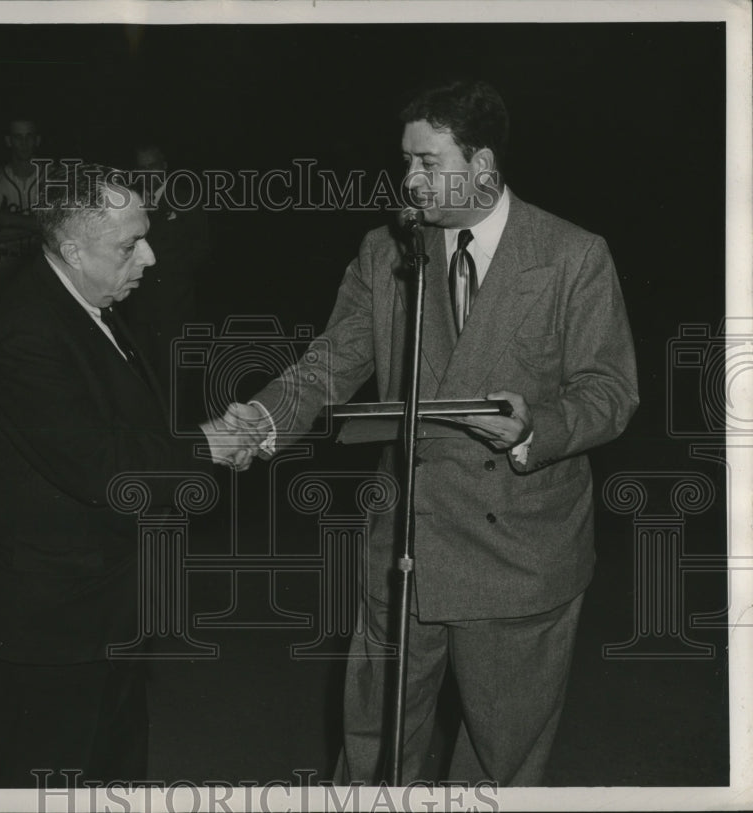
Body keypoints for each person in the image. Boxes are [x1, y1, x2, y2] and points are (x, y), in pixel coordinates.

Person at [231, 79, 639, 785]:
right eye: (405, 162)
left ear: (481, 165)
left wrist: (536, 425)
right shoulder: (386, 251)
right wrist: (262, 418)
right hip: (405, 547)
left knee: (498, 762)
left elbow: (610, 390)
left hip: (518, 556)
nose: (409, 179)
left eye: (426, 161)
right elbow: (333, 360)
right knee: (373, 744)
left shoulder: (572, 256)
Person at [0, 163, 254, 787]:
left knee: (114, 775)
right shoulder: (28, 333)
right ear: (72, 250)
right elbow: (102, 466)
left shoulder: (86, 300)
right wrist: (206, 445)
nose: (150, 257)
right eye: (130, 244)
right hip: (56, 622)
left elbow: (129, 429)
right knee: (53, 784)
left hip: (109, 606)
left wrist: (202, 442)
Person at [121, 142, 211, 399]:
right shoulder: (130, 201)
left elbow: (201, 248)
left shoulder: (185, 199)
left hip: (174, 304)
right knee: (140, 372)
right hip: (138, 302)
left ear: (164, 166)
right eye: (142, 168)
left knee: (172, 375)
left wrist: (172, 273)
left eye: (152, 166)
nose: (148, 174)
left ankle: (171, 432)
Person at [0, 116, 43, 311]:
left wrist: (9, 220)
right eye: (18, 137)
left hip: (41, 264)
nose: (24, 143)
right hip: (2, 263)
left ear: (37, 140)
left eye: (29, 136)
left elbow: (58, 226)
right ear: (8, 141)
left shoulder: (53, 178)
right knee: (1, 335)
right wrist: (36, 226)